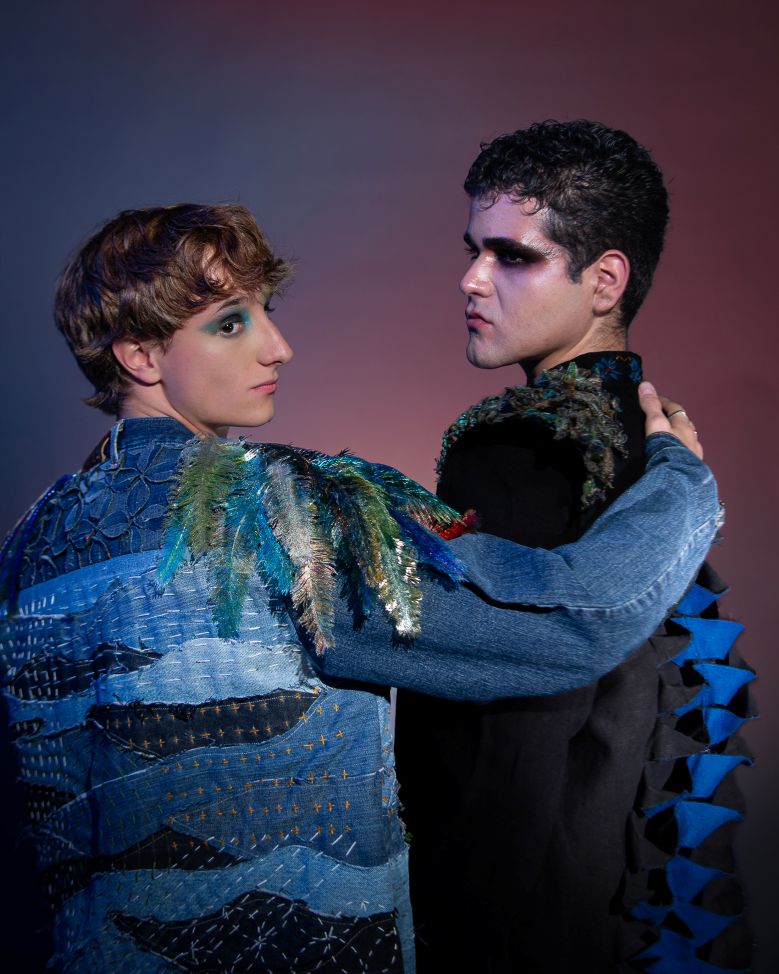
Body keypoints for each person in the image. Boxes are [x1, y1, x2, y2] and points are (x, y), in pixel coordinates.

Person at [0, 203, 717, 974]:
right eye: (231, 324)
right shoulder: (281, 513)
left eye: (265, 312)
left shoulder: (31, 546)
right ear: (141, 356)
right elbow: (572, 620)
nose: (278, 346)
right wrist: (679, 479)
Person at [396, 121, 753, 972]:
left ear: (604, 281)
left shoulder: (517, 445)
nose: (471, 279)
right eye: (473, 250)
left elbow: (503, 739)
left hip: (523, 907)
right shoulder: (656, 443)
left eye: (512, 256)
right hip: (637, 888)